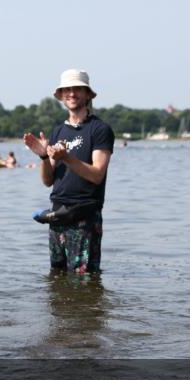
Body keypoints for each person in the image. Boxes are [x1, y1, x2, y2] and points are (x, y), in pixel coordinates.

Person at [23, 69, 114, 275]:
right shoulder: (58, 131)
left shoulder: (100, 129)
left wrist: (66, 157)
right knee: (57, 277)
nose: (71, 93)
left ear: (88, 94)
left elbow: (97, 174)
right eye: (67, 89)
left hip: (84, 216)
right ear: (61, 95)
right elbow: (48, 181)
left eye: (77, 89)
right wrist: (44, 157)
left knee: (84, 280)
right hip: (57, 214)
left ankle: (88, 309)